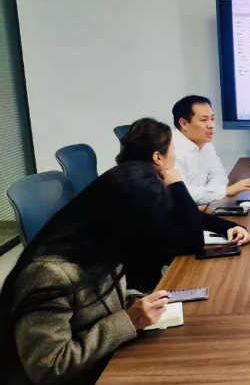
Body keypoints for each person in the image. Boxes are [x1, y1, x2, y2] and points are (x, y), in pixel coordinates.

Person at [0, 163, 172, 385]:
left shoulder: (104, 249)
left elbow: (99, 302)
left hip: (105, 364)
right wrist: (128, 320)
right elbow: (49, 367)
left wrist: (134, 302)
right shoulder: (48, 273)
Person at [116, 117, 250, 291]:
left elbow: (182, 215)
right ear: (158, 157)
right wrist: (177, 184)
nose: (175, 154)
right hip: (141, 290)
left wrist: (229, 227)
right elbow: (193, 242)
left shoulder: (139, 178)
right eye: (173, 149)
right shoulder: (141, 192)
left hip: (152, 275)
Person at [171, 95, 250, 205]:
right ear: (184, 124)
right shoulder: (170, 149)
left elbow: (219, 175)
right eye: (204, 120)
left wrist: (208, 198)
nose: (211, 125)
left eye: (212, 119)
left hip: (198, 208)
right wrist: (224, 191)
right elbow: (181, 192)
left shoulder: (204, 142)